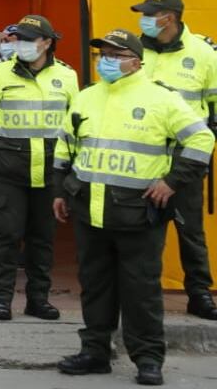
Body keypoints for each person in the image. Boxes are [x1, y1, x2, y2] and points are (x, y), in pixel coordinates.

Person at [53, 29, 214, 387]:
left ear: (135, 61)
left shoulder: (161, 99)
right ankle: (95, 351)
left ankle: (148, 358)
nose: (105, 60)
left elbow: (202, 139)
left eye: (115, 53)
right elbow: (65, 146)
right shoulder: (86, 97)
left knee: (140, 290)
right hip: (90, 211)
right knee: (95, 286)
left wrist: (172, 182)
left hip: (138, 215)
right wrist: (59, 191)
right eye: (102, 54)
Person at [0, 14, 77, 320]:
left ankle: (38, 299)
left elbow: (73, 123)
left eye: (29, 39)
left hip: (49, 169)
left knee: (42, 238)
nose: (21, 45)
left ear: (46, 42)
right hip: (8, 168)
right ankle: (1, 299)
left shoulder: (67, 77)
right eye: (18, 38)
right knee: (6, 235)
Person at [130, 0, 217, 321]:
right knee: (142, 232)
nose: (145, 20)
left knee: (190, 231)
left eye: (151, 14)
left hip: (184, 158)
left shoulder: (204, 53)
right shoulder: (136, 50)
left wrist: (201, 154)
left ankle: (199, 294)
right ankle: (142, 295)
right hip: (142, 154)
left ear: (170, 17)